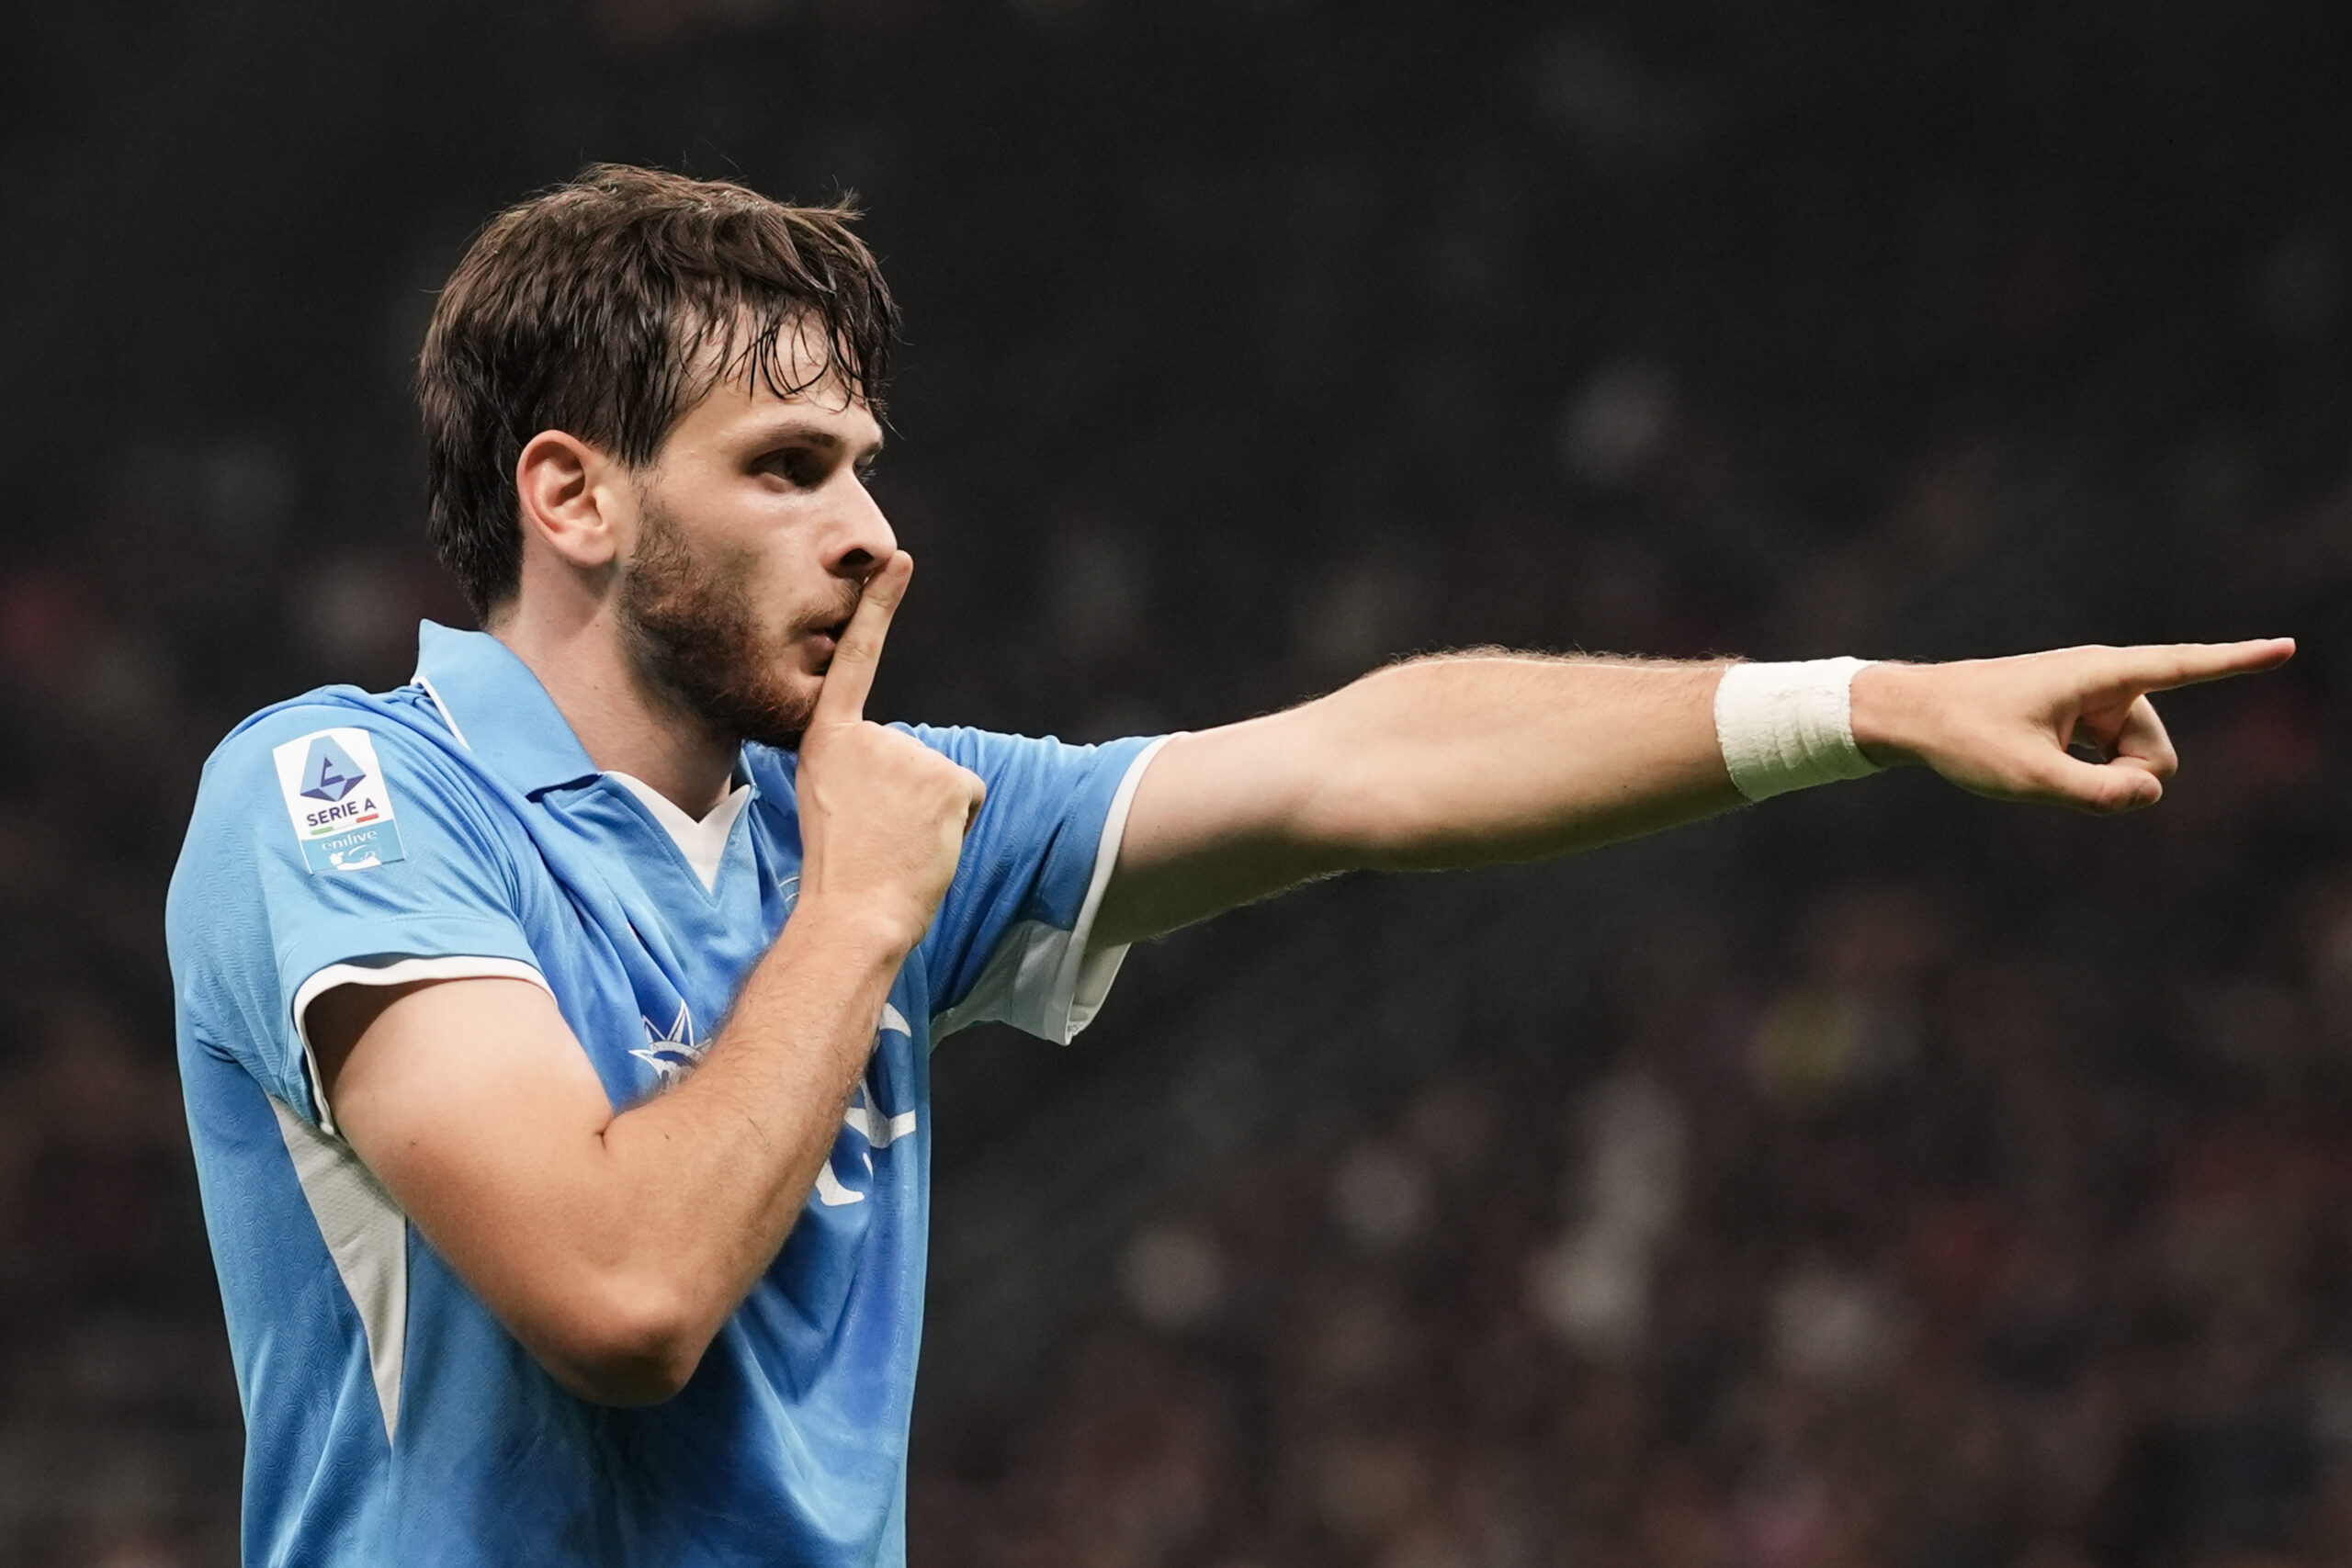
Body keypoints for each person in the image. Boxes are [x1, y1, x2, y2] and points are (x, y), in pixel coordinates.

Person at [164, 164, 2291, 1568]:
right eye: (786, 469)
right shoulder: (345, 798)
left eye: (866, 471)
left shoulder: (870, 815)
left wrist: (1862, 702)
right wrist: (857, 913)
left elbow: (1362, 760)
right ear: (575, 495)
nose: (869, 532)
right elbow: (616, 1294)